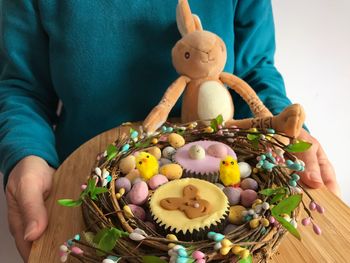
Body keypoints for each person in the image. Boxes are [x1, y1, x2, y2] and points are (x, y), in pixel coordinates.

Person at [0, 0, 340, 261]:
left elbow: (255, 71)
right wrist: (25, 153)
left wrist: (287, 126)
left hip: (230, 159)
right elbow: (22, 86)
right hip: (86, 184)